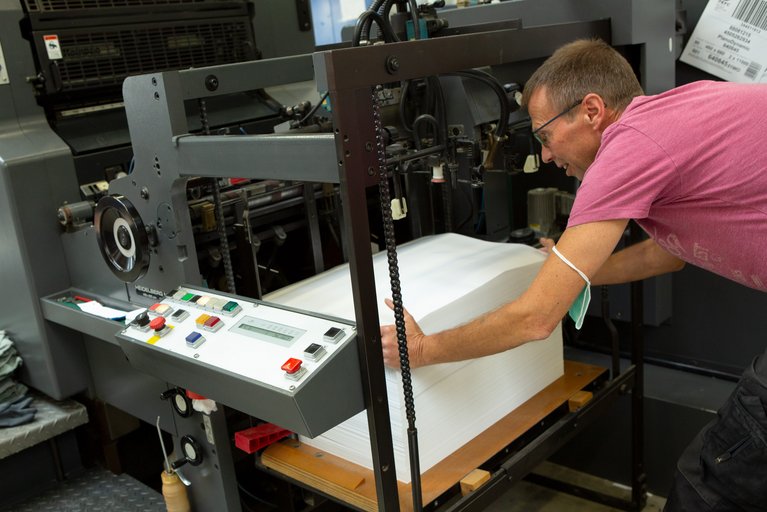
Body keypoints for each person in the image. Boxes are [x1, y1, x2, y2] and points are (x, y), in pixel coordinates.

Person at [379, 38, 767, 511]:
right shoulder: (669, 116)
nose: (544, 156)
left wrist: (421, 349)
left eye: (544, 135)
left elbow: (535, 320)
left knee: (712, 484)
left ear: (591, 110)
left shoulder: (631, 147)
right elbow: (665, 256)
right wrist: (570, 271)